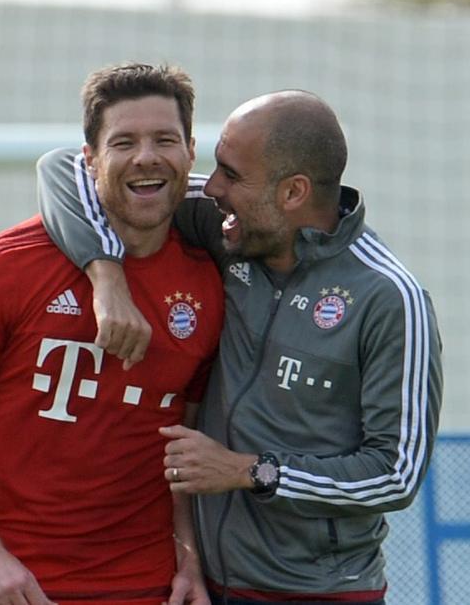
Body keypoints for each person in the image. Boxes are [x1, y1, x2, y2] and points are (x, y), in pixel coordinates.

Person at [35, 90, 443, 604]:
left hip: (320, 594)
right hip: (206, 586)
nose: (215, 189)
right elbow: (62, 169)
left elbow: (395, 474)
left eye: (231, 174)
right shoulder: (231, 228)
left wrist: (251, 471)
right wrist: (107, 275)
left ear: (293, 192)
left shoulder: (389, 298)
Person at [0, 63, 222, 605]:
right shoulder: (8, 265)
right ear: (89, 159)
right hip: (13, 587)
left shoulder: (208, 283)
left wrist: (190, 562)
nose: (146, 156)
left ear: (191, 153)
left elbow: (184, 450)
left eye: (164, 140)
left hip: (145, 586)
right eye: (124, 141)